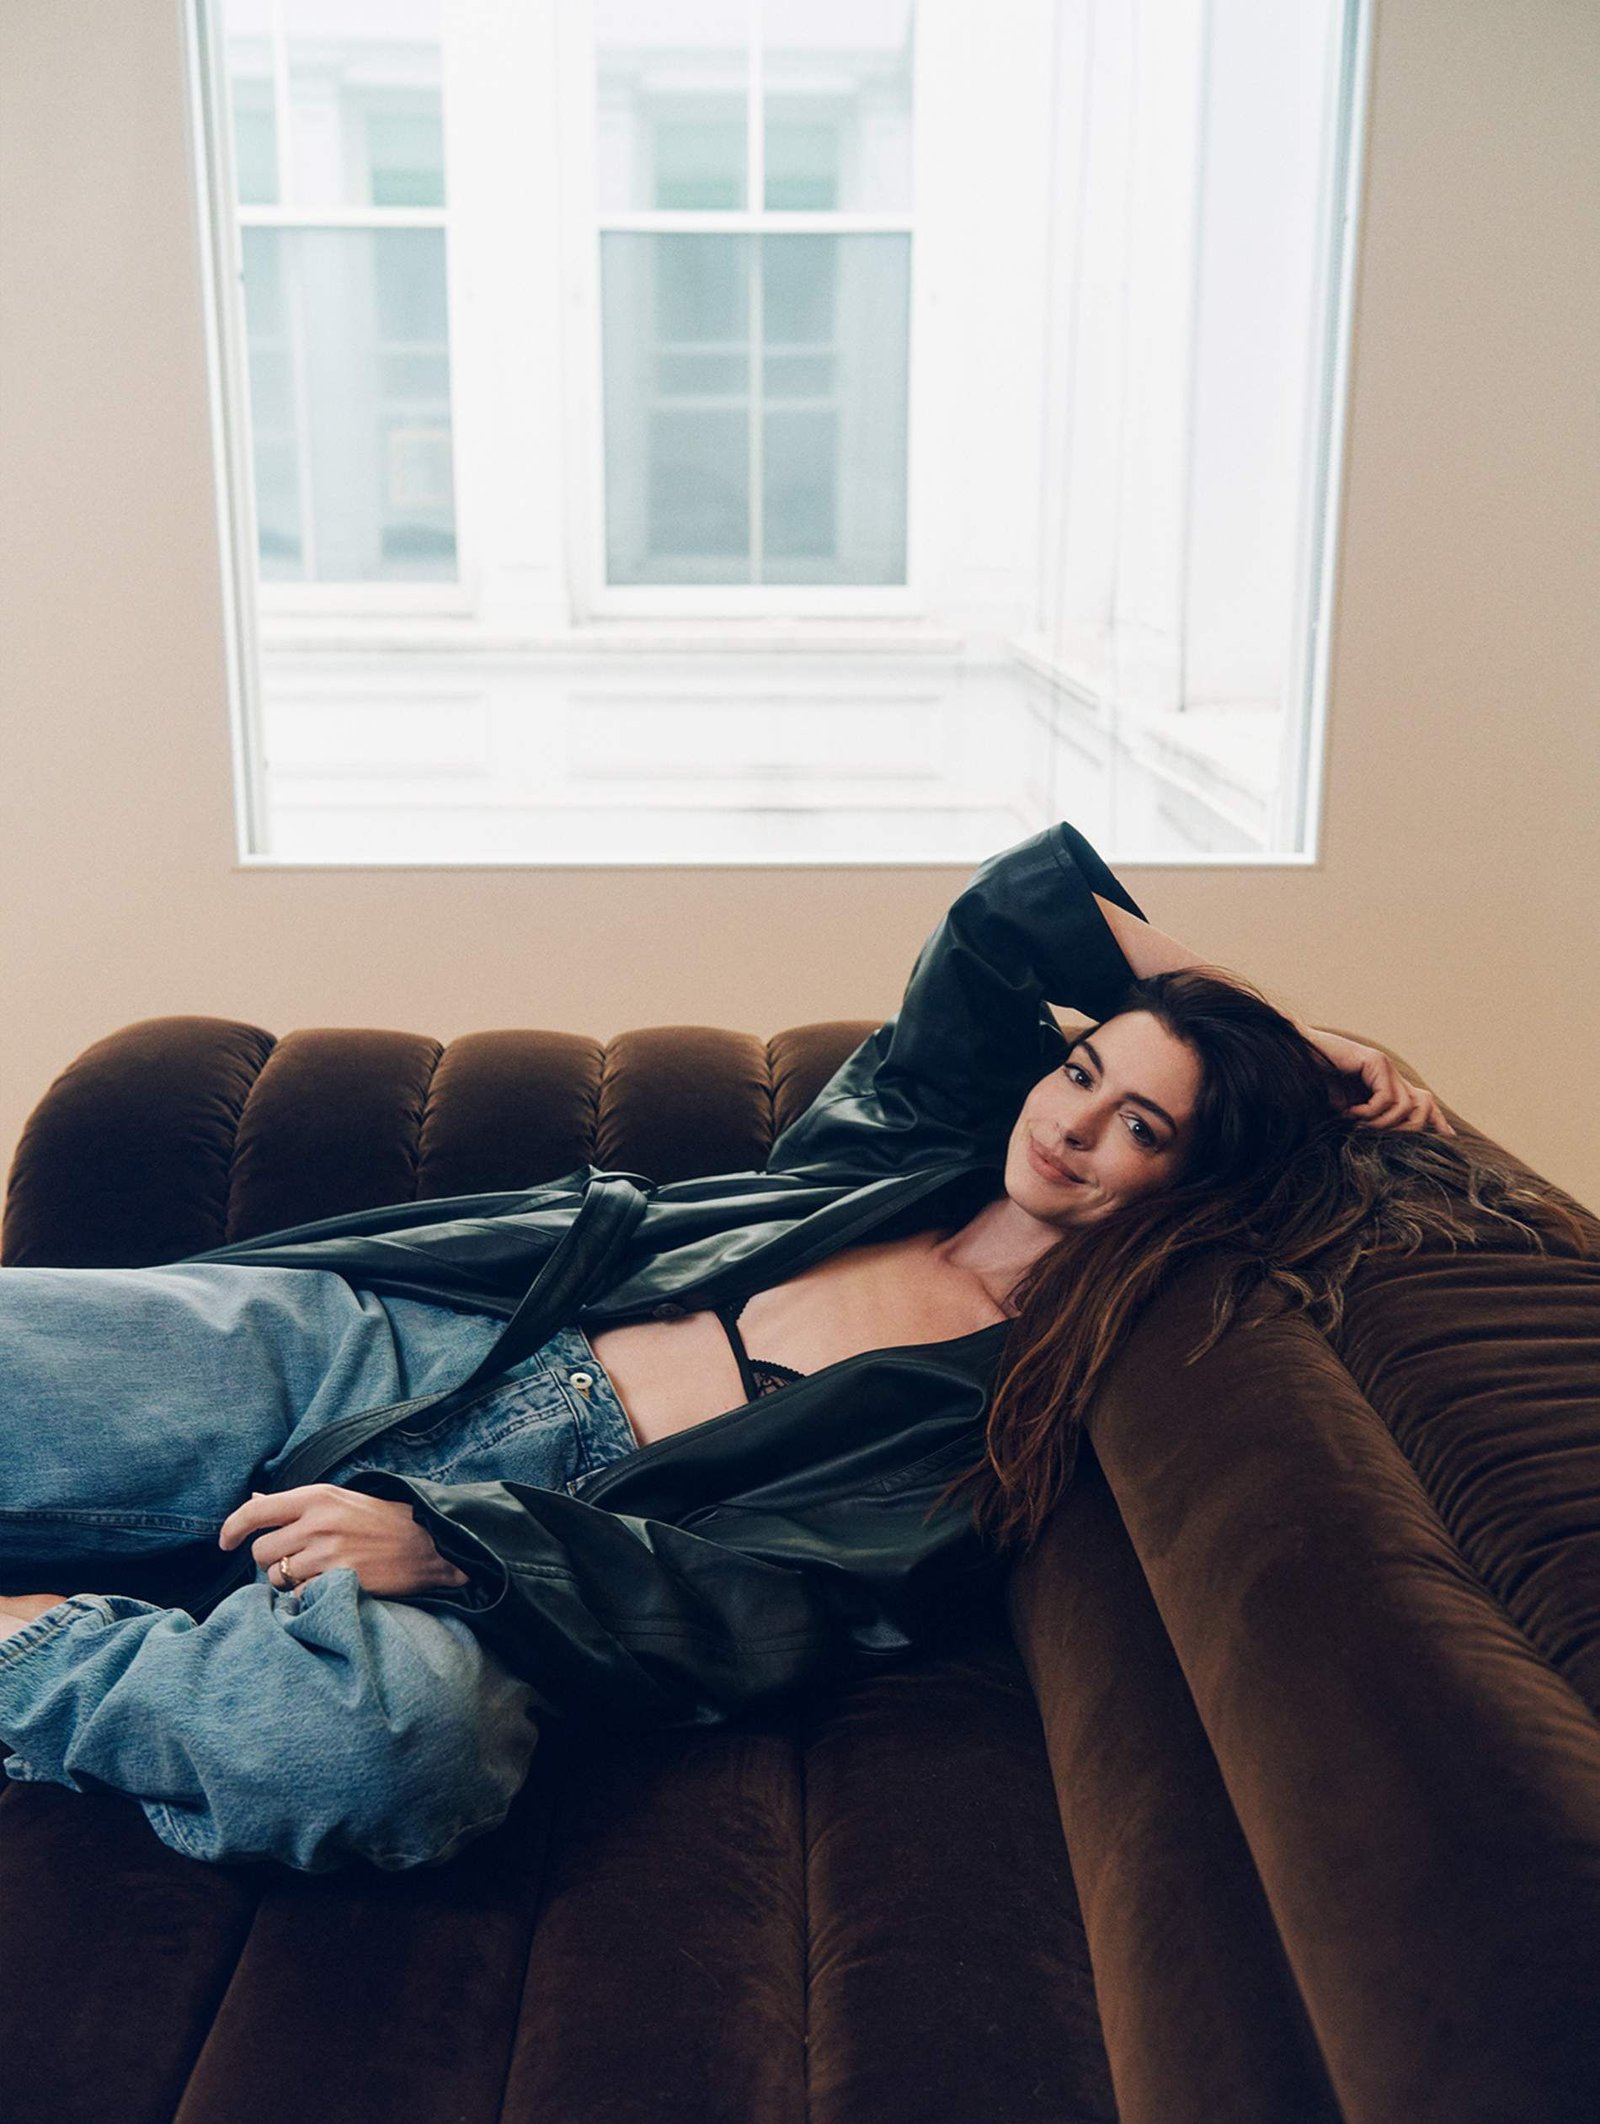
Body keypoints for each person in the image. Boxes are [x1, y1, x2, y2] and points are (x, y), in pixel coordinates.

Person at [0, 822, 1576, 1873]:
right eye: (1086, 1069)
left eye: (1143, 1127)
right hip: (412, 1347)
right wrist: (1277, 1027)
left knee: (394, 1751)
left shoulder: (1013, 1407)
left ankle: (44, 1643)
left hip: (538, 1547)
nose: (1075, 1123)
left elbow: (765, 1596)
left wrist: (462, 1550)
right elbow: (1008, 912)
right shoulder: (895, 1145)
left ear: (1195, 1184)